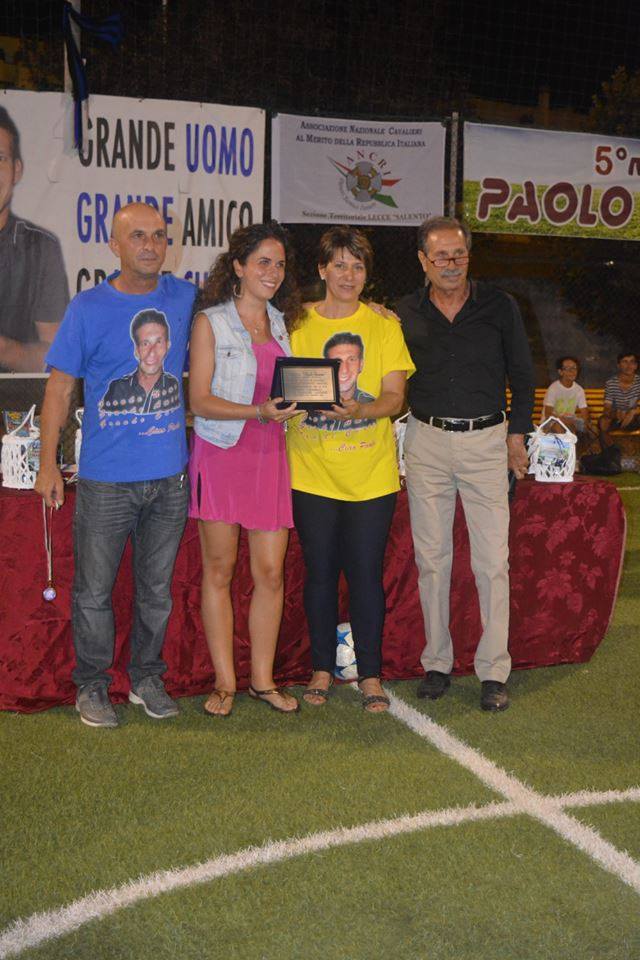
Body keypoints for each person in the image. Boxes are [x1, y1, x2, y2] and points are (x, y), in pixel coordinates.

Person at [35, 202, 194, 728]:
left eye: (158, 236)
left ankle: (146, 678)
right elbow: (59, 388)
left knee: (156, 592)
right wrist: (48, 463)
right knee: (93, 593)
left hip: (169, 480)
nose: (150, 245)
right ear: (115, 244)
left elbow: (249, 302)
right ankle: (92, 684)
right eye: (138, 236)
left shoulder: (185, 297)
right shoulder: (88, 307)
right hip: (106, 482)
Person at [395, 216, 534, 712]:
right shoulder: (402, 312)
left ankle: (493, 671)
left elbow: (522, 373)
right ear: (423, 260)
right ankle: (437, 662)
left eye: (459, 255)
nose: (451, 264)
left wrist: (517, 436)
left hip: (487, 443)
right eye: (441, 256)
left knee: (492, 563)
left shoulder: (500, 306)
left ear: (469, 256)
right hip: (426, 442)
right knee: (432, 560)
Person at [287, 226, 415, 713]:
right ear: (321, 270)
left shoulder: (384, 325)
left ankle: (370, 673)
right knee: (319, 574)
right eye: (339, 264)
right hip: (311, 473)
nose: (348, 274)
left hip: (370, 476)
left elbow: (394, 397)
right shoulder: (296, 323)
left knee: (365, 576)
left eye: (358, 266)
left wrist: (361, 411)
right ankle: (321, 667)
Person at [188, 221, 303, 717]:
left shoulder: (283, 323)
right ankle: (224, 683)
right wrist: (258, 412)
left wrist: (303, 404)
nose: (272, 272)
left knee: (271, 573)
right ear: (238, 266)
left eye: (279, 264)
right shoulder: (210, 322)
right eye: (262, 262)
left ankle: (262, 681)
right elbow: (199, 401)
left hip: (270, 456)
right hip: (221, 454)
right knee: (219, 570)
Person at [0, 105, 69, 372]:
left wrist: (6, 350)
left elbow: (54, 354)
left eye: (0, 158)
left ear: (17, 170)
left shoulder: (40, 248)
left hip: (17, 397)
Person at [598, 352, 640, 448]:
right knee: (603, 421)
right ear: (619, 365)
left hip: (634, 419)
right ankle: (611, 452)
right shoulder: (611, 383)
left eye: (632, 362)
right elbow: (607, 408)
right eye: (625, 362)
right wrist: (615, 414)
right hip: (617, 418)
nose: (629, 365)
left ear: (636, 366)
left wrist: (633, 412)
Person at [542, 357, 589, 433]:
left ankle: (571, 439)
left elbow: (584, 412)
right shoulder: (553, 388)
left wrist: (584, 422)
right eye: (568, 368)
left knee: (578, 427)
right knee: (560, 426)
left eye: (574, 368)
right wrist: (564, 420)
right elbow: (548, 414)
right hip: (550, 422)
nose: (572, 371)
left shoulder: (579, 390)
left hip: (570, 422)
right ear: (560, 372)